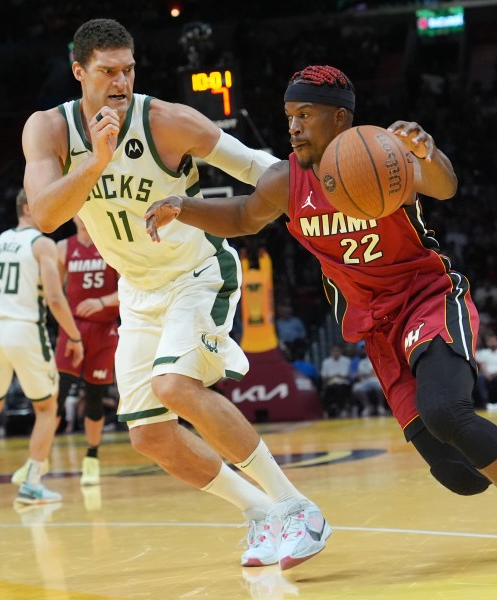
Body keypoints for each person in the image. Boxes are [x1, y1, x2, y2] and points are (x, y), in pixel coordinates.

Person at [144, 64, 497, 587]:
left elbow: (444, 185)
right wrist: (185, 207)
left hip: (428, 299)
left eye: (305, 115)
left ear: (339, 118)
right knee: (462, 474)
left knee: (447, 410)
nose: (292, 126)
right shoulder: (286, 179)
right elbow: (243, 216)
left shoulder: (384, 154)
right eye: (289, 115)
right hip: (376, 328)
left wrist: (428, 151)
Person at [21, 19, 331, 569]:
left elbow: (259, 167)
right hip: (139, 291)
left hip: (197, 270)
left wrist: (328, 194)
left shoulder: (166, 121)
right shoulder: (48, 130)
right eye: (107, 71)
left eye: (128, 69)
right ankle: (260, 512)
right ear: (79, 72)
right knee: (151, 439)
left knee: (175, 385)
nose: (120, 81)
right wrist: (96, 159)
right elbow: (45, 215)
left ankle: (297, 507)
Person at [0, 189, 84, 510]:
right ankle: (32, 484)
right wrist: (74, 337)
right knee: (48, 409)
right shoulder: (42, 244)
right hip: (24, 330)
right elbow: (53, 298)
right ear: (28, 208)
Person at [12, 214, 120, 487]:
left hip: (104, 328)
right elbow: (53, 292)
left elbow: (131, 287)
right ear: (73, 215)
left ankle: (91, 458)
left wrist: (102, 301)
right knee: (55, 398)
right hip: (71, 329)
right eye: (80, 212)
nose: (84, 217)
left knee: (94, 397)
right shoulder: (62, 248)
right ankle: (38, 459)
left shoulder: (110, 243)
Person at [319, 344, 351, 418]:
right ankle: (327, 411)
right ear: (331, 352)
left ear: (341, 352)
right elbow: (324, 375)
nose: (335, 353)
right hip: (330, 384)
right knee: (327, 391)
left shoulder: (346, 360)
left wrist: (335, 376)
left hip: (343, 383)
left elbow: (346, 374)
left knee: (340, 389)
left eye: (337, 351)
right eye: (333, 351)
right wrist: (336, 375)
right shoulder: (326, 362)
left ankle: (343, 409)